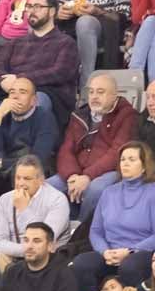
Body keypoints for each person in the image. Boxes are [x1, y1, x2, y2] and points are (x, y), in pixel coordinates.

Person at [71, 141, 155, 291]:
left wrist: (130, 251)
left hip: (141, 253)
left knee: (129, 266)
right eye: (123, 159)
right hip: (109, 253)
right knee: (81, 264)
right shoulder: (109, 192)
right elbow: (96, 231)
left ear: (144, 166)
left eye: (131, 159)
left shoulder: (152, 192)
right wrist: (104, 251)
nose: (125, 164)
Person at [52, 71, 137, 220]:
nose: (94, 97)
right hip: (77, 171)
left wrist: (87, 176)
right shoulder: (79, 115)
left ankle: (82, 230)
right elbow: (66, 149)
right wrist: (72, 175)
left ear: (114, 95)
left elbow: (117, 152)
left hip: (109, 170)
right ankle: (63, 229)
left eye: (100, 92)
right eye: (91, 92)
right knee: (48, 187)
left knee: (96, 189)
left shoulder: (127, 115)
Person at [0, 155, 70, 270]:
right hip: (15, 257)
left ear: (41, 180)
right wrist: (24, 251)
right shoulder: (5, 200)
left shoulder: (57, 200)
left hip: (47, 260)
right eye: (18, 178)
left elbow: (44, 240)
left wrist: (24, 210)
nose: (21, 183)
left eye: (27, 179)